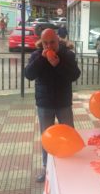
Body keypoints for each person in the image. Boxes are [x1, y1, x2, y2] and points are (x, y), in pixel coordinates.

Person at [25, 28, 81, 183]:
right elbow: (28, 74)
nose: (49, 46)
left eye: (52, 42)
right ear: (41, 42)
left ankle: (70, 165)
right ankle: (47, 168)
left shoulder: (67, 54)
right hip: (45, 103)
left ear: (58, 40)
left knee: (69, 134)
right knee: (46, 137)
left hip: (63, 102)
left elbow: (75, 75)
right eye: (45, 43)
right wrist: (42, 59)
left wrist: (58, 64)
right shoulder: (37, 55)